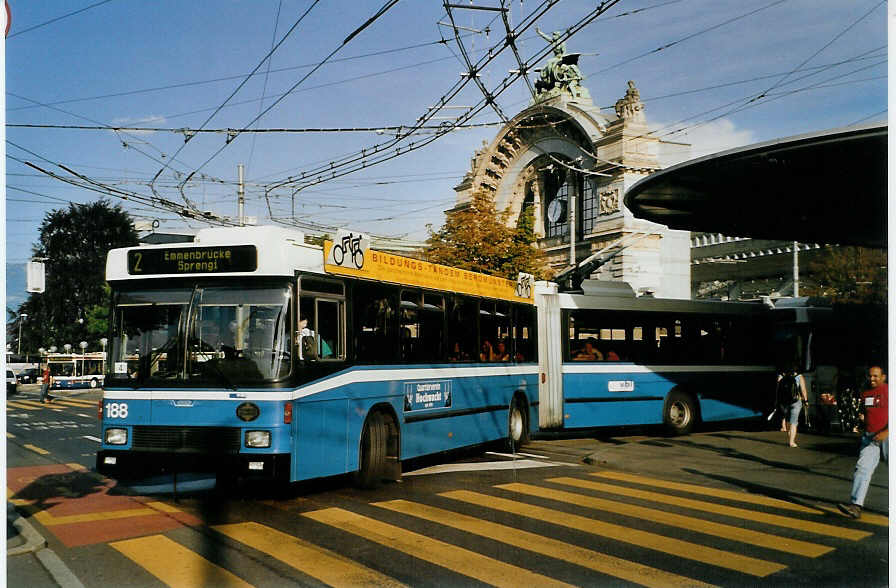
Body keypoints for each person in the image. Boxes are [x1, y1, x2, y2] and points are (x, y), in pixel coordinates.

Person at [838, 366, 888, 519]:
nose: (872, 379)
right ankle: (855, 506)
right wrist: (861, 422)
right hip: (870, 437)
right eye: (870, 376)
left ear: (884, 377)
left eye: (875, 376)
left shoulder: (889, 391)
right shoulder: (865, 392)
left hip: (888, 435)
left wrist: (887, 432)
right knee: (862, 469)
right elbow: (867, 413)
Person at [776, 365, 808, 447]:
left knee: (787, 419)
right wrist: (806, 400)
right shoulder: (799, 377)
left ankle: (789, 434)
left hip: (785, 402)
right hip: (796, 401)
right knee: (794, 422)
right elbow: (803, 390)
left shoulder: (781, 377)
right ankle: (792, 442)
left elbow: (778, 390)